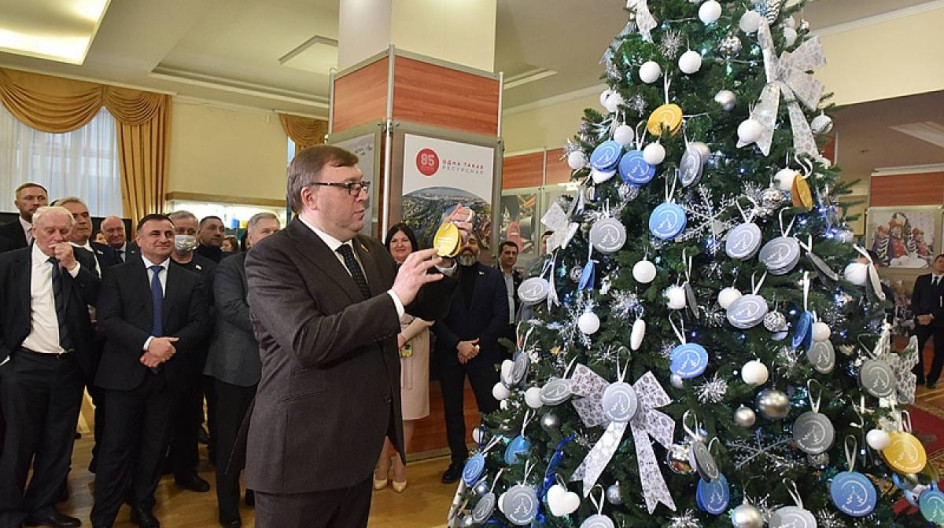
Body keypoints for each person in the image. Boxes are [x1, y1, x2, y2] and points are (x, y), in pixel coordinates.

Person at [244, 145, 463, 528]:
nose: (362, 195)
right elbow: (308, 340)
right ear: (310, 196)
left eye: (362, 185)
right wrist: (395, 298)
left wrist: (443, 262)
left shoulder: (369, 250)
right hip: (301, 454)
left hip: (356, 449)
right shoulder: (273, 256)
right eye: (349, 186)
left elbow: (427, 306)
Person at [90, 214, 211, 528]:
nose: (164, 239)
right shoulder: (117, 275)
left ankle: (142, 505)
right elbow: (109, 320)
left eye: (168, 233)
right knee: (116, 447)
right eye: (155, 233)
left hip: (167, 378)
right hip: (123, 376)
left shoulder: (191, 280)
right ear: (139, 240)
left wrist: (166, 349)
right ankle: (104, 514)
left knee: (154, 447)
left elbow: (200, 324)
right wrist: (148, 344)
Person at [0, 206, 99, 528]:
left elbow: (100, 297)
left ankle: (42, 506)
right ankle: (9, 513)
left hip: (69, 366)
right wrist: (5, 360)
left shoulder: (81, 260)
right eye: (50, 231)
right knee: (18, 443)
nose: (57, 237)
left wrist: (71, 266)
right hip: (24, 364)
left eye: (63, 231)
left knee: (58, 443)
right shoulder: (10, 263)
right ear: (33, 231)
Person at [204, 212, 281, 528]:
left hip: (275, 369)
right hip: (235, 367)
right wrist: (279, 327)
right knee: (230, 442)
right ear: (249, 238)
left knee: (264, 439)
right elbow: (231, 307)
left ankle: (254, 492)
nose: (272, 236)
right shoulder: (230, 267)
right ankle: (228, 507)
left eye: (277, 231)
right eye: (265, 231)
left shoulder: (286, 268)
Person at [433, 234, 508, 484]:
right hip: (450, 352)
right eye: (463, 242)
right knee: (452, 411)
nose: (468, 246)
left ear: (479, 248)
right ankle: (458, 460)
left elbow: (501, 316)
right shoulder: (442, 277)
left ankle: (492, 459)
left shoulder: (493, 276)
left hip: (483, 353)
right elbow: (435, 317)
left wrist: (476, 345)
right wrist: (458, 344)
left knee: (490, 409)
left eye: (472, 242)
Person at [373, 224, 434, 494]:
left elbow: (431, 314)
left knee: (408, 410)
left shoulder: (425, 271)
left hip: (414, 344)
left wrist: (404, 335)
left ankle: (401, 465)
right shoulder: (377, 272)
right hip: (382, 344)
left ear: (413, 244)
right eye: (394, 241)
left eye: (404, 240)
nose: (399, 244)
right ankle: (381, 463)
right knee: (382, 408)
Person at [164, 210, 217, 493]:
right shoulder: (157, 264)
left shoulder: (209, 269)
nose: (185, 236)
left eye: (190, 231)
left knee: (189, 416)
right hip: (157, 352)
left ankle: (186, 469)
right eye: (179, 230)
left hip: (193, 354)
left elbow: (212, 309)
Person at [52, 197, 121, 274]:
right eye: (74, 216)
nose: (83, 221)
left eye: (85, 215)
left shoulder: (109, 252)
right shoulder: (55, 255)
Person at [911, 253, 944, 389]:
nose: (942, 264)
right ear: (934, 263)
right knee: (915, 347)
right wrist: (919, 315)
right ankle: (918, 376)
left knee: (940, 351)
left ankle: (932, 379)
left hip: (940, 322)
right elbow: (915, 300)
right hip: (921, 320)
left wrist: (931, 316)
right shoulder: (922, 280)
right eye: (940, 261)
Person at [0, 182, 49, 249]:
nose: (36, 203)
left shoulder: (58, 231)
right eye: (29, 198)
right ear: (17, 204)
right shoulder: (2, 233)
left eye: (41, 198)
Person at [497, 240, 523, 345]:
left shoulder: (519, 278)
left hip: (513, 328)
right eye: (507, 253)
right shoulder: (491, 275)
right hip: (495, 328)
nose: (511, 256)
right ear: (500, 255)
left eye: (514, 253)